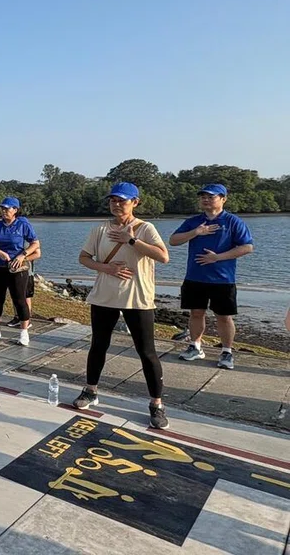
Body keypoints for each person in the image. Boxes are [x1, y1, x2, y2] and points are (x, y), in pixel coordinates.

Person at [74, 182, 171, 430]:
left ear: (135, 202)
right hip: (104, 297)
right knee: (98, 345)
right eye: (113, 200)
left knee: (146, 352)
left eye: (123, 201)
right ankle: (91, 390)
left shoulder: (145, 228)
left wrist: (132, 241)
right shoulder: (99, 230)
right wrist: (106, 268)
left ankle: (156, 404)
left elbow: (163, 256)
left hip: (137, 299)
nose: (117, 204)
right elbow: (84, 257)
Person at [170, 184, 254, 370]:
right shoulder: (194, 221)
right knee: (196, 313)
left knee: (224, 317)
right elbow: (173, 241)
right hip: (195, 277)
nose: (205, 199)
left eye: (211, 196)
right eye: (203, 197)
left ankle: (226, 351)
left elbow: (247, 247)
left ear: (223, 199)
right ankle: (195, 346)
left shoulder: (233, 221)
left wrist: (217, 257)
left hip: (223, 279)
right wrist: (196, 232)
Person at [0, 197, 40, 346]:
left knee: (20, 300)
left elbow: (35, 243)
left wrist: (23, 255)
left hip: (17, 269)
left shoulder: (22, 225)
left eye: (7, 209)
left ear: (15, 210)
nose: (4, 211)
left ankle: (24, 333)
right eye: (2, 209)